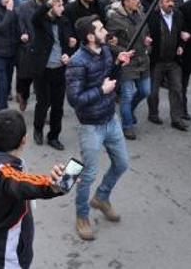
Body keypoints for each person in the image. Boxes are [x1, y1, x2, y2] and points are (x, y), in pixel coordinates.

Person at [0, 110, 65, 268]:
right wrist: (51, 184)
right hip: (7, 260)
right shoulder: (4, 174)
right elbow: (20, 183)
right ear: (24, 140)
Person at [65, 15, 133, 241]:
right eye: (101, 29)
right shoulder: (77, 62)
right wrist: (102, 91)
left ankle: (101, 197)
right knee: (88, 174)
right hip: (91, 126)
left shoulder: (104, 51)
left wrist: (120, 62)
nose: (106, 31)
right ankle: (82, 216)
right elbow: (74, 99)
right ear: (90, 37)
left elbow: (110, 76)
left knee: (122, 163)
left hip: (110, 120)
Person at [25, 0, 73, 150]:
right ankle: (38, 129)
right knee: (43, 103)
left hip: (59, 69)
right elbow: (35, 17)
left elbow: (69, 41)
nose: (62, 8)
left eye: (62, 5)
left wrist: (69, 50)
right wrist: (48, 4)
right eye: (58, 6)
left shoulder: (64, 21)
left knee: (58, 105)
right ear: (52, 7)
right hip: (42, 69)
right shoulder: (41, 21)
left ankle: (54, 136)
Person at [107, 0, 151, 140]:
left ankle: (129, 110)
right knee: (126, 95)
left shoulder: (140, 14)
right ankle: (127, 125)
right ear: (125, 2)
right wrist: (122, 52)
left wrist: (147, 43)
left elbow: (147, 33)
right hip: (127, 62)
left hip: (142, 60)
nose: (137, 1)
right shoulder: (115, 19)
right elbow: (110, 42)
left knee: (145, 90)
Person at [147, 0, 188, 131]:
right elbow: (146, 34)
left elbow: (183, 33)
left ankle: (176, 119)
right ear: (160, 3)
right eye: (167, 1)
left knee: (177, 88)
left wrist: (182, 46)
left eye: (172, 1)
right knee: (153, 91)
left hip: (173, 60)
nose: (171, 4)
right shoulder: (152, 17)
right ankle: (153, 113)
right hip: (157, 60)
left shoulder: (178, 15)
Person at [15, 0, 48, 111]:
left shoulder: (48, 4)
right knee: (26, 79)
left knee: (42, 84)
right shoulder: (25, 6)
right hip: (29, 48)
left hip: (45, 48)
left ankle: (43, 109)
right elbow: (21, 24)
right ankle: (23, 96)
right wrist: (23, 34)